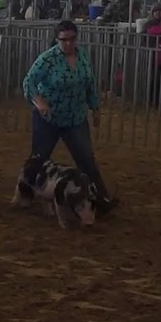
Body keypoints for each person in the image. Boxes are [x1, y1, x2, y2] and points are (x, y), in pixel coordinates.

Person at [22, 20, 117, 217]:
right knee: (39, 160)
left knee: (87, 161)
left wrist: (95, 108)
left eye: (72, 39)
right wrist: (39, 102)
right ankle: (26, 195)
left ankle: (101, 199)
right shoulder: (47, 59)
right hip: (48, 118)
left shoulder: (83, 55)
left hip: (76, 118)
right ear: (57, 39)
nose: (68, 44)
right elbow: (29, 81)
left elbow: (89, 83)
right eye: (63, 40)